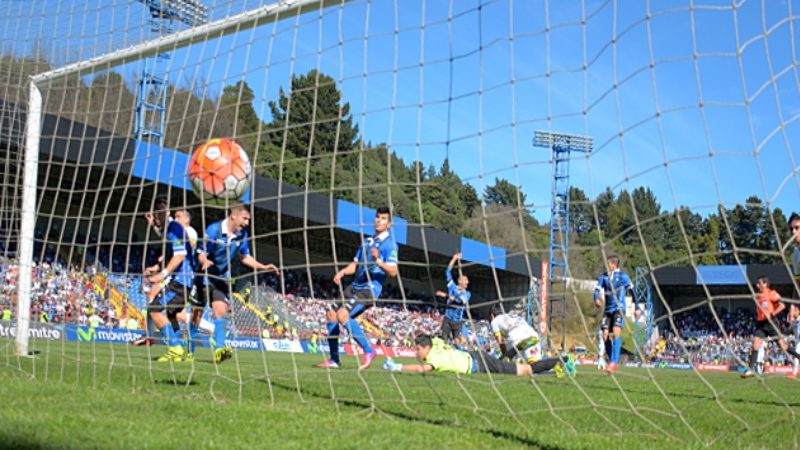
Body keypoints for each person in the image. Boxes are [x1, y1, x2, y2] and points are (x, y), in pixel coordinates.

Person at [317, 206, 398, 370]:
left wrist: (378, 261)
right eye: (377, 217)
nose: (379, 220)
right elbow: (355, 265)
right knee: (332, 315)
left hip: (369, 288)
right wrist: (342, 272)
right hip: (354, 286)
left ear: (389, 224)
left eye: (383, 218)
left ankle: (369, 350)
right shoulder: (366, 242)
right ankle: (334, 359)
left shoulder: (390, 244)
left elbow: (393, 272)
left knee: (342, 314)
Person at [197, 204, 279, 364]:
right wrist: (205, 260)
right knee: (196, 315)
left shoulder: (242, 235)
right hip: (202, 275)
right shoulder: (214, 230)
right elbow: (200, 253)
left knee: (220, 311)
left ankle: (220, 350)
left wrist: (263, 266)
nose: (247, 223)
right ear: (233, 216)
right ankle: (189, 352)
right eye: (245, 218)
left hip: (221, 278)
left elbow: (244, 257)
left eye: (249, 219)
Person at [141, 198, 195, 362]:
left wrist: (161, 274)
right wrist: (153, 225)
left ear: (162, 214)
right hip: (184, 280)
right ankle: (177, 352)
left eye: (157, 216)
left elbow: (179, 255)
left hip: (181, 281)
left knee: (154, 309)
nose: (156, 219)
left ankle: (174, 348)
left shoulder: (174, 229)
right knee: (172, 314)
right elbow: (168, 244)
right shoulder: (169, 228)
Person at [382, 333, 565, 376]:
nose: (415, 353)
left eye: (417, 349)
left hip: (480, 363)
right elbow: (433, 339)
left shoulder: (434, 358)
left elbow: (421, 368)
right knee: (515, 366)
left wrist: (398, 366)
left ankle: (560, 361)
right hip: (475, 357)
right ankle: (557, 363)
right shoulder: (435, 344)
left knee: (524, 370)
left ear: (425, 348)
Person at [741, 276, 800, 378]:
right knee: (755, 345)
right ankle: (751, 370)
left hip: (771, 323)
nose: (757, 285)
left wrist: (772, 314)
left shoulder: (771, 293)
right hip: (761, 324)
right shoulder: (759, 296)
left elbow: (782, 305)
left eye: (759, 283)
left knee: (783, 346)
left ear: (765, 284)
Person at [594, 254, 640, 374]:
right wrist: (596, 299)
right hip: (607, 310)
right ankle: (611, 361)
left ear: (614, 264)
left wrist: (637, 308)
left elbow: (632, 291)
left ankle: (613, 362)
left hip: (619, 309)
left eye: (608, 263)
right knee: (604, 336)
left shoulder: (623, 277)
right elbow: (597, 290)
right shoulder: (603, 277)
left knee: (616, 333)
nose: (607, 265)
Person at [435, 252, 470, 343]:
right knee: (442, 340)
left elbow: (460, 301)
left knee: (457, 341)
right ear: (460, 281)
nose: (468, 282)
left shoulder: (467, 294)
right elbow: (447, 272)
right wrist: (454, 258)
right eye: (466, 280)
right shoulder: (452, 286)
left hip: (457, 322)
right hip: (447, 318)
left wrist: (446, 296)